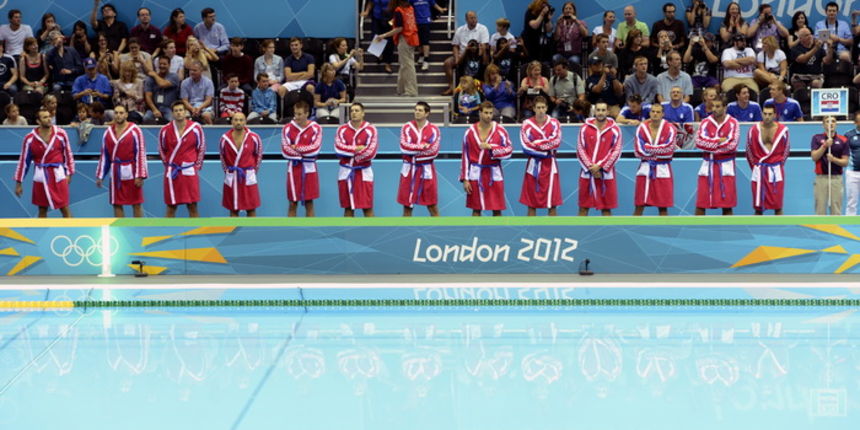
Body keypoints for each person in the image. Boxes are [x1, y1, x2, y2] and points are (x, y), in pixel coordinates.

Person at [13, 109, 74, 218]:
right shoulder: (29, 139)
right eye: (45, 117)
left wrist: (69, 173)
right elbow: (24, 161)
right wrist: (18, 183)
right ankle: (40, 233)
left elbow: (68, 154)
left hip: (58, 175)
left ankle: (72, 233)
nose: (49, 119)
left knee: (64, 207)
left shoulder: (61, 134)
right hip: (41, 176)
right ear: (38, 121)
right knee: (42, 209)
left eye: (49, 116)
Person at [460, 101, 512, 216]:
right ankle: (475, 234)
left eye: (490, 113)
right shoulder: (469, 132)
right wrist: (465, 179)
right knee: (476, 209)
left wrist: (492, 147)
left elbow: (509, 151)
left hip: (494, 173)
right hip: (475, 173)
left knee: (497, 209)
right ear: (480, 113)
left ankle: (497, 233)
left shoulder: (500, 130)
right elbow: (465, 157)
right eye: (486, 113)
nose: (488, 116)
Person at [94, 105, 146, 217]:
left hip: (132, 171)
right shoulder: (108, 132)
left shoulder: (135, 130)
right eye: (116, 113)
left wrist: (140, 175)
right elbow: (105, 155)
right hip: (115, 172)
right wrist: (100, 175)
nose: (118, 115)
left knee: (136, 203)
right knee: (117, 203)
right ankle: (122, 230)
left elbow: (141, 153)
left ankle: (141, 231)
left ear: (126, 114)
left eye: (121, 113)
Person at [158, 101, 205, 217]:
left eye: (181, 110)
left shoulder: (195, 128)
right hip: (173, 171)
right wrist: (169, 166)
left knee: (193, 205)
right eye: (176, 111)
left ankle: (196, 234)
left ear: (185, 112)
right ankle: (167, 233)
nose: (179, 113)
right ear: (173, 113)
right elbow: (161, 150)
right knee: (171, 206)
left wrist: (196, 166)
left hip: (189, 170)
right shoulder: (165, 130)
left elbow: (201, 148)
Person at [694, 96, 738, 215]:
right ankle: (697, 232)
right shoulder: (705, 122)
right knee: (701, 204)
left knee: (727, 205)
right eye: (713, 106)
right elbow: (699, 142)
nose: (714, 109)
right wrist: (718, 142)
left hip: (726, 166)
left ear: (725, 107)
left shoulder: (733, 123)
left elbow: (731, 145)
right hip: (708, 165)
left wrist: (711, 145)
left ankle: (729, 233)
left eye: (718, 106)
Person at [519, 96, 562, 216]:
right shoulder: (526, 124)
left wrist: (536, 144)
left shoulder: (554, 123)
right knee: (531, 204)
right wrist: (545, 150)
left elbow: (556, 142)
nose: (541, 110)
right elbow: (526, 147)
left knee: (552, 204)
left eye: (543, 107)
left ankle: (553, 232)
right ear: (533, 109)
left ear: (547, 108)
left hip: (550, 166)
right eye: (538, 107)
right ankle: (530, 233)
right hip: (533, 167)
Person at [577, 101, 622, 216]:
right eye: (598, 110)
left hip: (606, 174)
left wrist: (601, 167)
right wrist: (591, 167)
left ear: (607, 112)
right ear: (594, 111)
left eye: (603, 110)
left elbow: (616, 151)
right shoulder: (585, 128)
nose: (600, 113)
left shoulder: (615, 130)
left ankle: (609, 233)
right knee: (583, 208)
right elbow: (580, 149)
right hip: (587, 173)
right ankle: (580, 234)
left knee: (606, 209)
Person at [398, 101, 441, 216]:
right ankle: (406, 232)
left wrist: (413, 152)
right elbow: (404, 147)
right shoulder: (407, 127)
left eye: (420, 110)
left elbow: (433, 151)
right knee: (407, 207)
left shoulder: (434, 130)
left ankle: (438, 228)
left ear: (427, 113)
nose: (417, 112)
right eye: (416, 110)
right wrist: (422, 146)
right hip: (409, 169)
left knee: (432, 206)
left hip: (426, 169)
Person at [335, 103, 378, 217]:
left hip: (364, 171)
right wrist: (356, 149)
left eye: (357, 110)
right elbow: (338, 150)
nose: (354, 113)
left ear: (363, 113)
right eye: (352, 111)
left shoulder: (370, 129)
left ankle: (374, 234)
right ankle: (347, 233)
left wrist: (352, 156)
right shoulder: (342, 129)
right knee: (348, 208)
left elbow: (371, 152)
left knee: (367, 207)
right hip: (345, 171)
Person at [633, 102, 676, 216]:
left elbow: (669, 151)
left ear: (663, 114)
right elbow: (638, 151)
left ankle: (665, 231)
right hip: (645, 168)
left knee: (663, 207)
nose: (655, 114)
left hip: (662, 169)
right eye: (653, 111)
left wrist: (648, 147)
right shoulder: (641, 128)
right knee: (639, 205)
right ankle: (634, 229)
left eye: (658, 112)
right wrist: (656, 151)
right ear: (649, 113)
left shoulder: (670, 128)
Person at [746, 104, 789, 215]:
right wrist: (756, 167)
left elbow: (786, 150)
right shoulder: (753, 130)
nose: (767, 117)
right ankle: (756, 229)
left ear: (775, 115)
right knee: (758, 207)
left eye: (770, 114)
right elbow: (748, 151)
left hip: (776, 170)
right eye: (765, 114)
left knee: (778, 206)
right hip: (759, 169)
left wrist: (778, 165)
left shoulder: (783, 131)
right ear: (761, 114)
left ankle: (780, 230)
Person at [281, 101, 321, 217]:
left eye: (299, 114)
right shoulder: (287, 128)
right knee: (292, 203)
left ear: (307, 114)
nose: (296, 117)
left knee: (309, 202)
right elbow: (285, 151)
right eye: (295, 114)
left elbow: (315, 149)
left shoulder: (316, 128)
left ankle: (312, 232)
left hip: (309, 168)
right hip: (293, 168)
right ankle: (291, 232)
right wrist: (302, 154)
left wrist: (297, 147)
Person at [220, 112, 262, 217]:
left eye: (241, 120)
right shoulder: (224, 139)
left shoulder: (254, 137)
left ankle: (251, 231)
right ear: (232, 121)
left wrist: (251, 172)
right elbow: (222, 158)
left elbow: (258, 156)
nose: (238, 122)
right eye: (236, 120)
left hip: (248, 175)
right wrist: (229, 172)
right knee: (233, 209)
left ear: (245, 122)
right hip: (232, 175)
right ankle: (233, 232)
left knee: (251, 209)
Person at [374, 0, 418, 97]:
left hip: (405, 38)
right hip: (413, 37)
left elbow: (399, 28)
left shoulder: (399, 10)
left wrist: (383, 35)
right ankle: (401, 89)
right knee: (404, 64)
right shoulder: (410, 8)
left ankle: (411, 90)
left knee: (408, 65)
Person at [442, 11, 489, 94]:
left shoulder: (483, 28)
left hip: (477, 54)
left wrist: (479, 54)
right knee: (447, 63)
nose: (474, 20)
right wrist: (457, 58)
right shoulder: (460, 30)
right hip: (463, 54)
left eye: (475, 18)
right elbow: (455, 46)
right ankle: (452, 87)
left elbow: (484, 45)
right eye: (471, 18)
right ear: (466, 19)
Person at [811, 116, 849, 215]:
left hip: (836, 178)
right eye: (827, 121)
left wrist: (833, 159)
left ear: (836, 124)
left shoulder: (843, 140)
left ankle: (835, 230)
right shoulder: (816, 138)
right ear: (823, 125)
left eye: (833, 121)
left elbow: (845, 162)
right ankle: (820, 230)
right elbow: (814, 157)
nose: (830, 123)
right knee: (820, 209)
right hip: (821, 178)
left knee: (836, 209)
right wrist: (824, 146)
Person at [144, 56, 180, 124]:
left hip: (169, 108)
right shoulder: (150, 79)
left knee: (171, 120)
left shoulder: (174, 76)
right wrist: (154, 110)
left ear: (169, 65)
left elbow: (162, 84)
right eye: (160, 64)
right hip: (154, 107)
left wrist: (155, 75)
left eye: (164, 64)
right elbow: (148, 96)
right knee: (146, 118)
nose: (162, 66)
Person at [361, 0, 395, 74]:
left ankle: (387, 64)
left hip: (389, 17)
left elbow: (396, 4)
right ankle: (379, 54)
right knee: (376, 36)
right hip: (376, 17)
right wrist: (367, 11)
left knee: (389, 41)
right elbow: (371, 2)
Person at [411, 0, 446, 70]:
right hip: (416, 21)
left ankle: (426, 60)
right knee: (419, 41)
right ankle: (421, 55)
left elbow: (433, 4)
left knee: (425, 41)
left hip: (425, 21)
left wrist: (441, 9)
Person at [180, 60, 214, 125]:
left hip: (204, 107)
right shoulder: (184, 83)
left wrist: (199, 108)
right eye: (191, 70)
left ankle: (211, 133)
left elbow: (208, 100)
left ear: (201, 71)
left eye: (194, 70)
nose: (192, 72)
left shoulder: (208, 82)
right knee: (184, 116)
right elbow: (184, 101)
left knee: (206, 116)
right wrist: (192, 109)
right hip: (189, 107)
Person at [843, 111, 860, 215]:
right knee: (851, 202)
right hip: (852, 173)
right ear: (855, 122)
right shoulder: (848, 135)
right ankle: (849, 226)